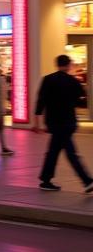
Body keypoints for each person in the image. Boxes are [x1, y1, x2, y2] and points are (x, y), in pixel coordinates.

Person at [34, 54, 93, 193]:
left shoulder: (48, 80)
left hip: (54, 122)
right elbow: (81, 100)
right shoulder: (73, 81)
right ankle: (87, 181)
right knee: (70, 152)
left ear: (57, 64)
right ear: (68, 65)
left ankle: (46, 179)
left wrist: (37, 123)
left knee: (54, 151)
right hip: (69, 121)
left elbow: (40, 102)